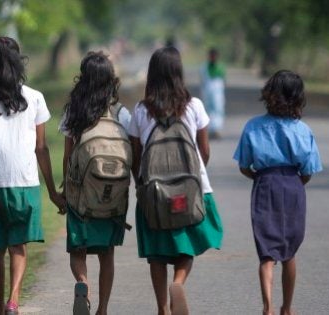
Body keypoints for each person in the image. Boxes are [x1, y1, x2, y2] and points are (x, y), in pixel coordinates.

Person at [0, 36, 65, 315]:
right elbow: (41, 147)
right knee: (18, 245)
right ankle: (13, 302)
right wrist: (52, 191)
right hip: (25, 180)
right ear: (19, 63)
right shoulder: (35, 97)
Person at [127, 46, 223, 315]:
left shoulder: (141, 111)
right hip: (190, 190)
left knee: (156, 253)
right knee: (187, 243)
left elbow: (135, 156)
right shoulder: (194, 106)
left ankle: (162, 309)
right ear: (178, 73)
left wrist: (141, 184)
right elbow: (203, 151)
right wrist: (192, 178)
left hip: (153, 191)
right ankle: (178, 283)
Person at [233, 70, 322, 315]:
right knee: (289, 252)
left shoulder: (253, 126)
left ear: (269, 94)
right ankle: (287, 307)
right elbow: (308, 171)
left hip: (264, 185)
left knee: (267, 253)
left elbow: (243, 166)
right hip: (293, 187)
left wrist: (261, 178)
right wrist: (293, 183)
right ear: (298, 98)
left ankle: (267, 306)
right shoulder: (303, 130)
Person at [59, 51, 131, 315]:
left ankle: (82, 284)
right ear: (110, 79)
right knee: (107, 253)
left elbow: (68, 155)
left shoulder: (73, 111)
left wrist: (65, 189)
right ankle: (103, 309)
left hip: (82, 193)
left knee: (78, 249)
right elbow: (131, 153)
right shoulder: (121, 113)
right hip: (113, 195)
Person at [199, 48, 226, 139]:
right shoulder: (204, 67)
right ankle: (209, 129)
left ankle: (217, 129)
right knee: (208, 110)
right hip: (207, 91)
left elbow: (223, 80)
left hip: (217, 92)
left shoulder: (220, 67)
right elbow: (202, 80)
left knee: (218, 109)